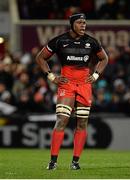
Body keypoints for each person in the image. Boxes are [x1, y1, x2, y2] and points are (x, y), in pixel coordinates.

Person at [36, 13, 108, 170]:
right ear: (72, 24)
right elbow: (40, 58)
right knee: (61, 120)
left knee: (82, 123)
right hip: (67, 84)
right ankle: (53, 162)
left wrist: (95, 75)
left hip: (84, 85)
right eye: (80, 22)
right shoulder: (60, 41)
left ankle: (75, 162)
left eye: (85, 23)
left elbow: (105, 58)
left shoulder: (91, 42)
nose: (83, 25)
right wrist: (51, 77)